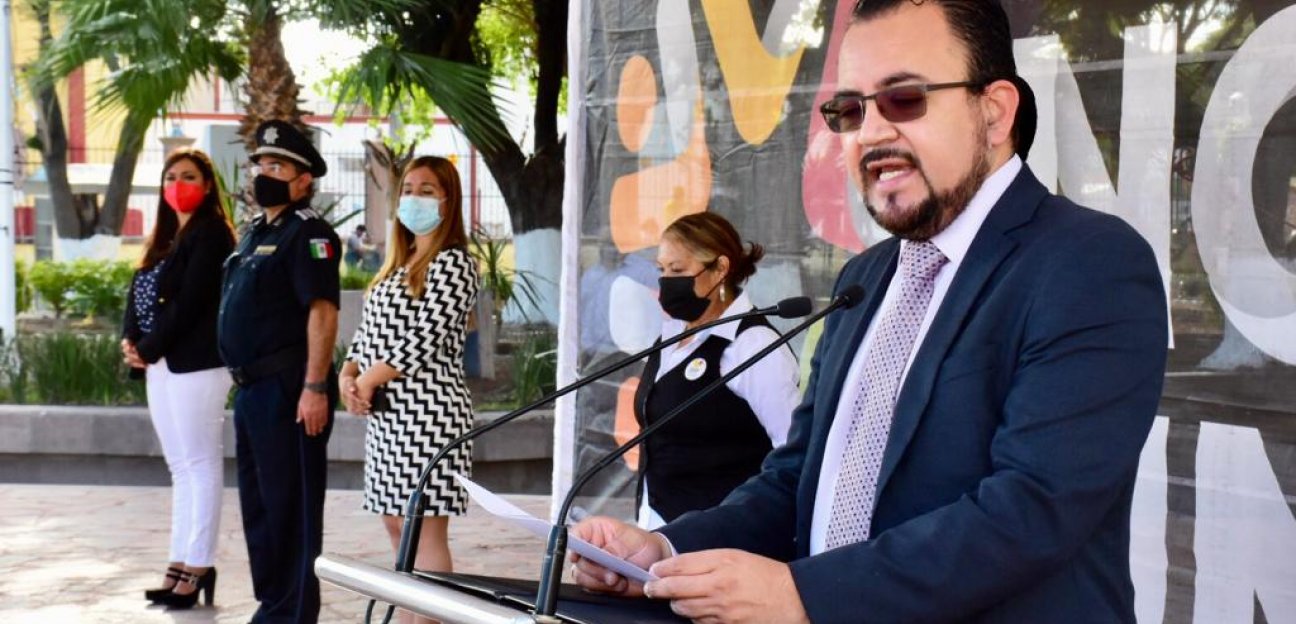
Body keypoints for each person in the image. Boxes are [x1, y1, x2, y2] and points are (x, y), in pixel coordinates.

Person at [570, 1, 1169, 622]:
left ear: (994, 112)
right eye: (850, 110)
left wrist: (804, 596)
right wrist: (663, 552)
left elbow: (1032, 508)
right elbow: (794, 481)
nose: (871, 133)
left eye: (904, 98)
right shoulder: (867, 277)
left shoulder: (1088, 264)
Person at [338, 156, 479, 624]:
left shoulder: (455, 264)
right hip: (387, 417)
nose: (414, 198)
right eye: (409, 189)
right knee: (396, 527)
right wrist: (348, 374)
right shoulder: (399, 262)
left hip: (429, 415)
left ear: (448, 200)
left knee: (423, 532)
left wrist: (367, 380)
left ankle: (426, 619)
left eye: (427, 189)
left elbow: (422, 338)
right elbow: (368, 332)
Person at [218, 119, 340, 624]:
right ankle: (272, 606)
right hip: (252, 392)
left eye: (278, 166)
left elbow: (322, 311)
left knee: (291, 507)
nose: (264, 173)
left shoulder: (309, 233)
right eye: (260, 165)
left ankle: (292, 614)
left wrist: (314, 387)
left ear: (303, 178)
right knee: (261, 507)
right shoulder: (256, 233)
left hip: (289, 388)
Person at [122, 147, 236, 609]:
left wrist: (149, 347)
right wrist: (131, 340)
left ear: (207, 185)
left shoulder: (212, 234)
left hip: (196, 363)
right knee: (179, 467)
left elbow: (190, 303)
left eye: (187, 176)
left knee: (200, 463)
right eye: (170, 177)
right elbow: (140, 294)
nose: (177, 185)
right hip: (161, 364)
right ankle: (179, 561)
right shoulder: (166, 237)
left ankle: (199, 562)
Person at [634, 212, 799, 529]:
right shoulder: (670, 337)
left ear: (721, 269)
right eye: (662, 270)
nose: (667, 280)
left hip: (722, 539)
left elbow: (793, 452)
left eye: (678, 270)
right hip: (656, 528)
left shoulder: (752, 346)